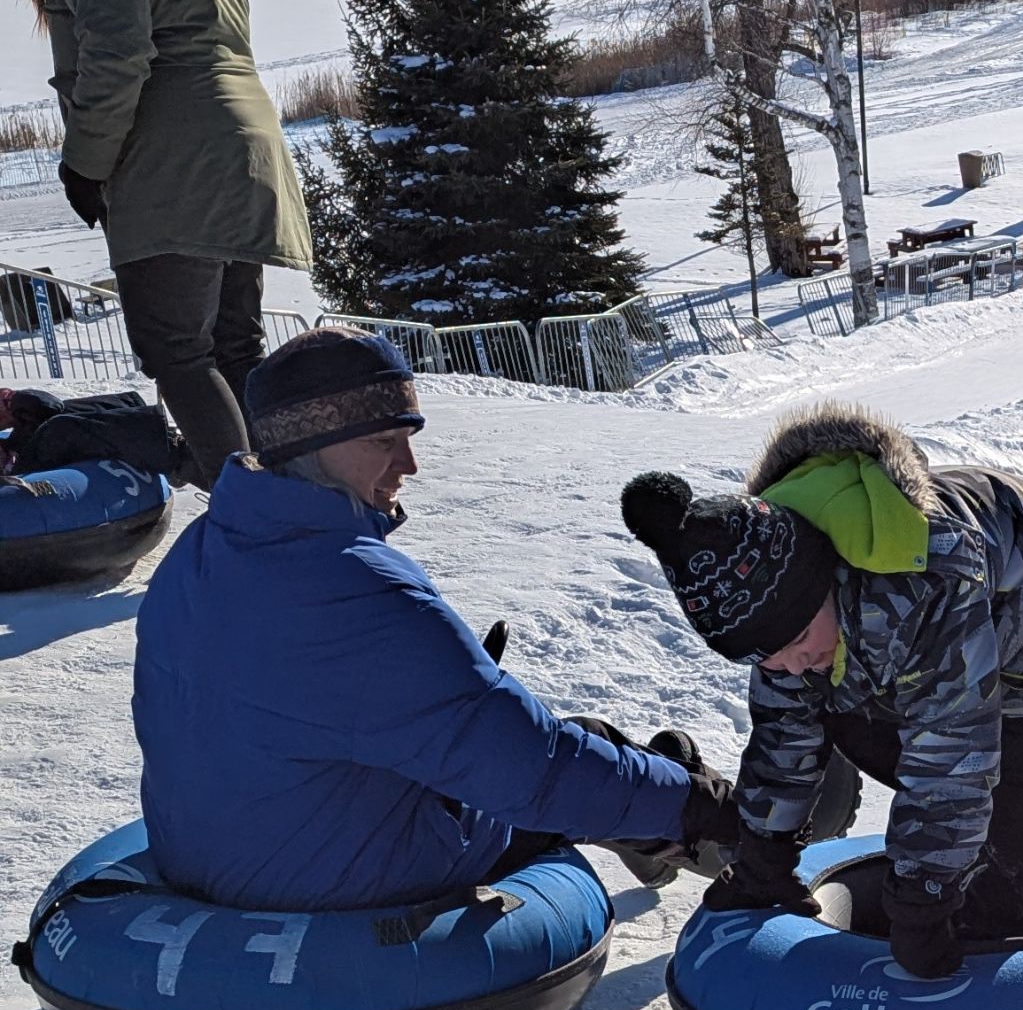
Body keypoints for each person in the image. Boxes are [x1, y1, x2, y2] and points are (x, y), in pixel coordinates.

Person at [133, 328, 736, 913]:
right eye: (382, 440)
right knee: (579, 750)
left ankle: (655, 831)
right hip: (331, 879)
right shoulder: (359, 590)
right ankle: (728, 843)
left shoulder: (199, 550)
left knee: (507, 751)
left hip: (211, 846)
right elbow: (532, 766)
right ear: (309, 445)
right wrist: (704, 804)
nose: (410, 464)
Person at [619, 403, 1023, 980]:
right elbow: (782, 732)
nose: (787, 662)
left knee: (1016, 827)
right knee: (821, 703)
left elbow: (949, 758)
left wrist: (923, 900)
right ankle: (881, 794)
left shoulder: (930, 583)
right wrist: (764, 854)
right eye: (764, 655)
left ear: (820, 583)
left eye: (794, 640)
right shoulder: (772, 593)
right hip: (885, 639)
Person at [33, 0, 312, 490]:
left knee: (177, 352)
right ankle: (293, 506)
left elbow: (119, 53)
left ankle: (255, 520)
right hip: (242, 142)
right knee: (235, 348)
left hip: (172, 156)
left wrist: (84, 162)